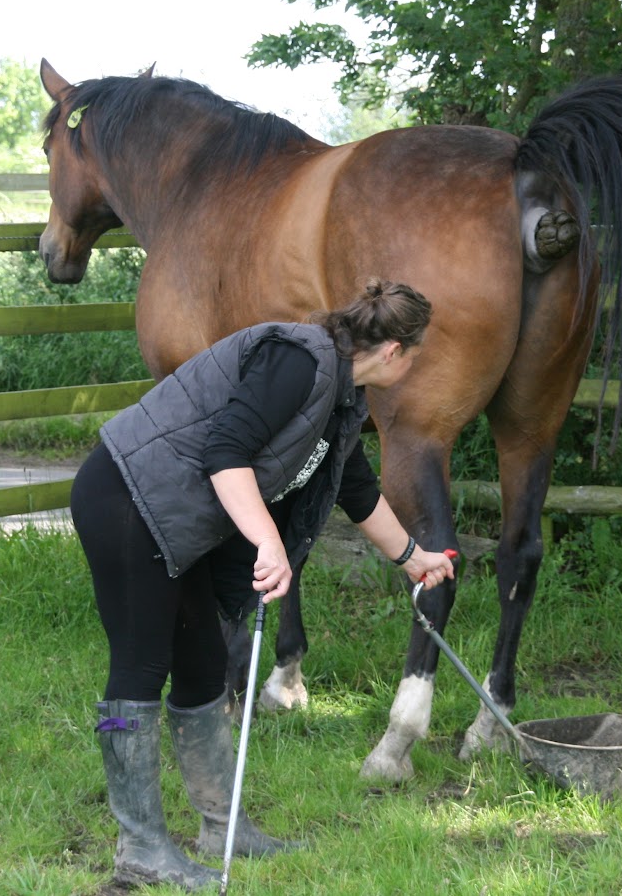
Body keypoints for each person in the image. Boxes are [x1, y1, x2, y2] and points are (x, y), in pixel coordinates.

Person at [70, 278, 456, 891]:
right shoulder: (298, 359)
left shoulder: (339, 399)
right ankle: (140, 851)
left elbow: (353, 489)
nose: (414, 368)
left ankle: (224, 830)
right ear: (393, 352)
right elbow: (226, 452)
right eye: (416, 357)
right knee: (140, 669)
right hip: (127, 499)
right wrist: (268, 542)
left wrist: (413, 558)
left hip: (177, 520)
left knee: (200, 667)